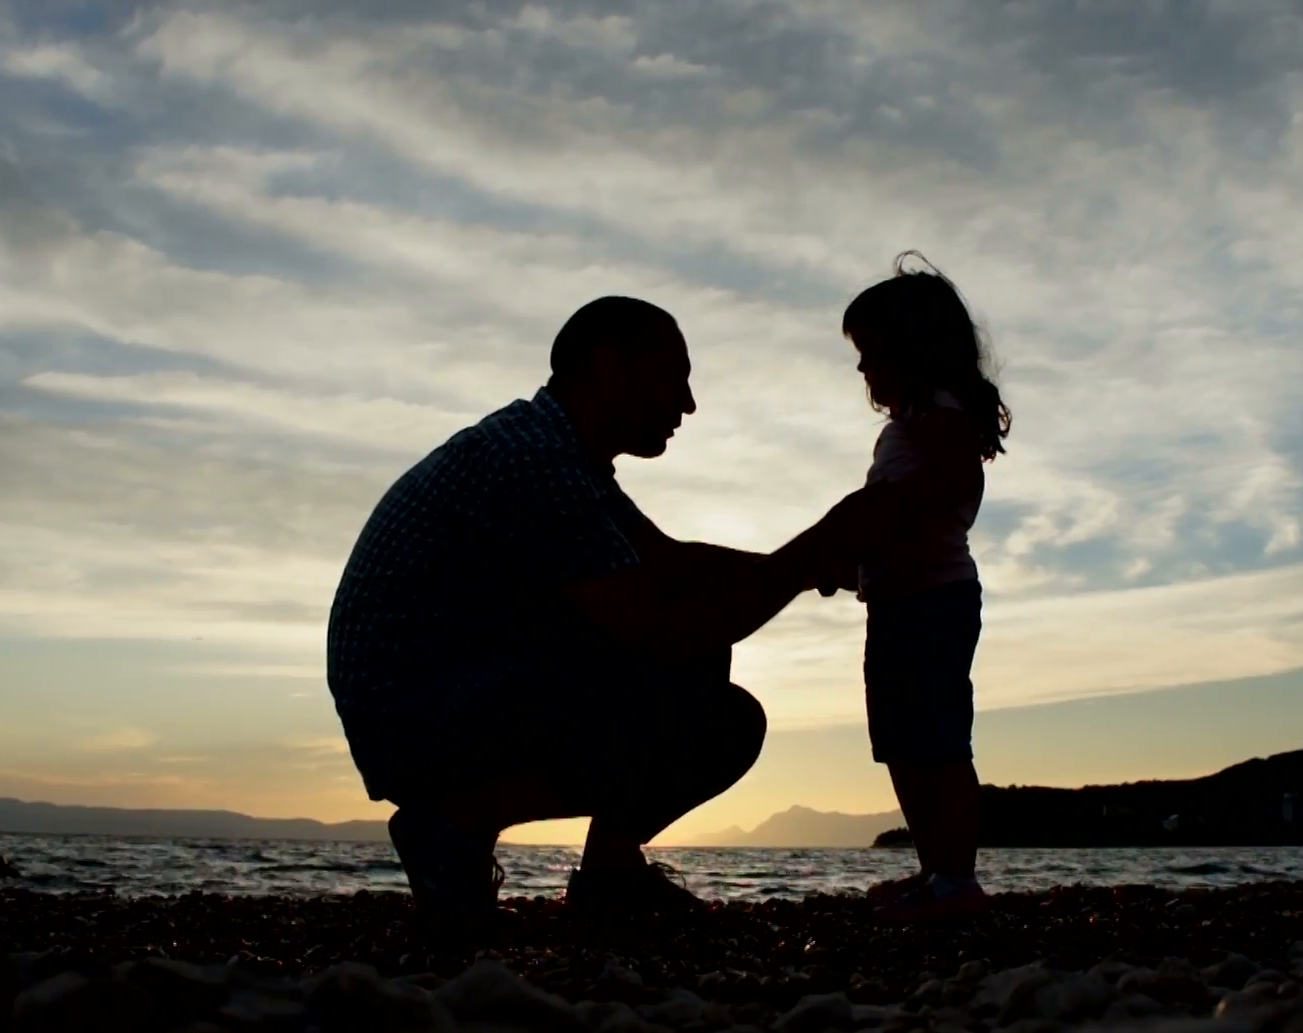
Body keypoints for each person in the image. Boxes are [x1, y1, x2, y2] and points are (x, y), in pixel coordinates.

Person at [327, 296, 861, 925]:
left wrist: (822, 562)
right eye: (675, 377)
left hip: (434, 695)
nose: (688, 404)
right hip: (420, 714)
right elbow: (662, 631)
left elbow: (666, 563)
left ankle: (606, 874)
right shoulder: (535, 458)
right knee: (721, 717)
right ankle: (454, 823)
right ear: (609, 365)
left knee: (701, 654)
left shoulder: (557, 452)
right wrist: (806, 559)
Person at [828, 254, 1011, 922]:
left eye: (869, 351)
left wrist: (873, 531)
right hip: (895, 603)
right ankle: (934, 872)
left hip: (934, 601)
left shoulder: (944, 416)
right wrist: (849, 563)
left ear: (913, 349)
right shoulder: (907, 429)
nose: (861, 368)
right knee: (901, 741)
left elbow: (929, 495)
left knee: (937, 739)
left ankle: (957, 881)